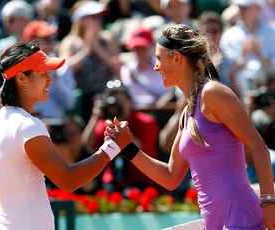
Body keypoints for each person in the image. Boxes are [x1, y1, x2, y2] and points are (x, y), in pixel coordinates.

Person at [105, 24, 275, 229]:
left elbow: (258, 147)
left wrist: (268, 202)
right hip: (216, 222)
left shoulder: (213, 93)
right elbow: (170, 178)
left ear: (177, 58)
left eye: (159, 59)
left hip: (240, 215)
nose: (155, 67)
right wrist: (128, 147)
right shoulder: (186, 113)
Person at [0, 41, 132, 229]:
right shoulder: (29, 126)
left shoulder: (1, 118)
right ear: (21, 79)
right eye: (43, 74)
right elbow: (69, 180)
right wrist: (113, 147)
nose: (50, 80)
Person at [82, 82, 161, 192]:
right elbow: (86, 146)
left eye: (120, 102)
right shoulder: (104, 124)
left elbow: (142, 148)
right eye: (112, 102)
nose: (115, 106)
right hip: (111, 183)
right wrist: (95, 117)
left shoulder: (145, 122)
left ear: (129, 102)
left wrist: (120, 129)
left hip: (142, 181)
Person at [57, 0, 122, 123]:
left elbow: (116, 66)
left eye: (99, 16)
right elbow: (64, 69)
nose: (98, 20)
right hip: (83, 99)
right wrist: (86, 51)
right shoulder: (71, 42)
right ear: (80, 20)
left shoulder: (107, 38)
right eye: (93, 17)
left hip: (107, 95)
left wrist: (97, 47)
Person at [22, 20, 76, 118]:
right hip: (27, 124)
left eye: (51, 38)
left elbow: (69, 104)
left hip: (55, 125)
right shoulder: (18, 67)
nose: (50, 43)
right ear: (30, 42)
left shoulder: (62, 66)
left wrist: (56, 78)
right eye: (45, 39)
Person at [120, 25, 175, 108]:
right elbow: (132, 95)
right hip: (136, 113)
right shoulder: (127, 69)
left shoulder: (164, 66)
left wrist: (168, 97)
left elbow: (171, 90)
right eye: (136, 48)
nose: (139, 52)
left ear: (152, 46)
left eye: (143, 48)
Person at [0, 0, 34, 65]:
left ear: (24, 20)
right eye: (5, 21)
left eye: (11, 20)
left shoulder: (38, 42)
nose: (6, 24)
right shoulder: (1, 45)